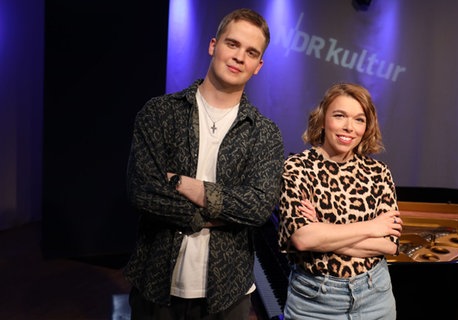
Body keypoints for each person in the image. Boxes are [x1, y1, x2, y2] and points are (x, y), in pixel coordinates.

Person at [123, 8, 284, 320]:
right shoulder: (159, 114)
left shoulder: (264, 133)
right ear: (214, 46)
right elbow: (142, 191)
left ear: (258, 66)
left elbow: (259, 207)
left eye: (251, 52)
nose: (239, 57)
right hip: (155, 283)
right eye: (232, 44)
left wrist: (185, 184)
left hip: (228, 295)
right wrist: (218, 214)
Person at [277, 83, 402, 320]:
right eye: (339, 116)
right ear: (323, 119)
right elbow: (303, 240)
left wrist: (322, 232)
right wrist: (370, 227)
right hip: (314, 301)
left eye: (359, 119)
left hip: (376, 295)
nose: (349, 127)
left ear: (367, 127)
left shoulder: (378, 172)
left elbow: (389, 246)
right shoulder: (297, 168)